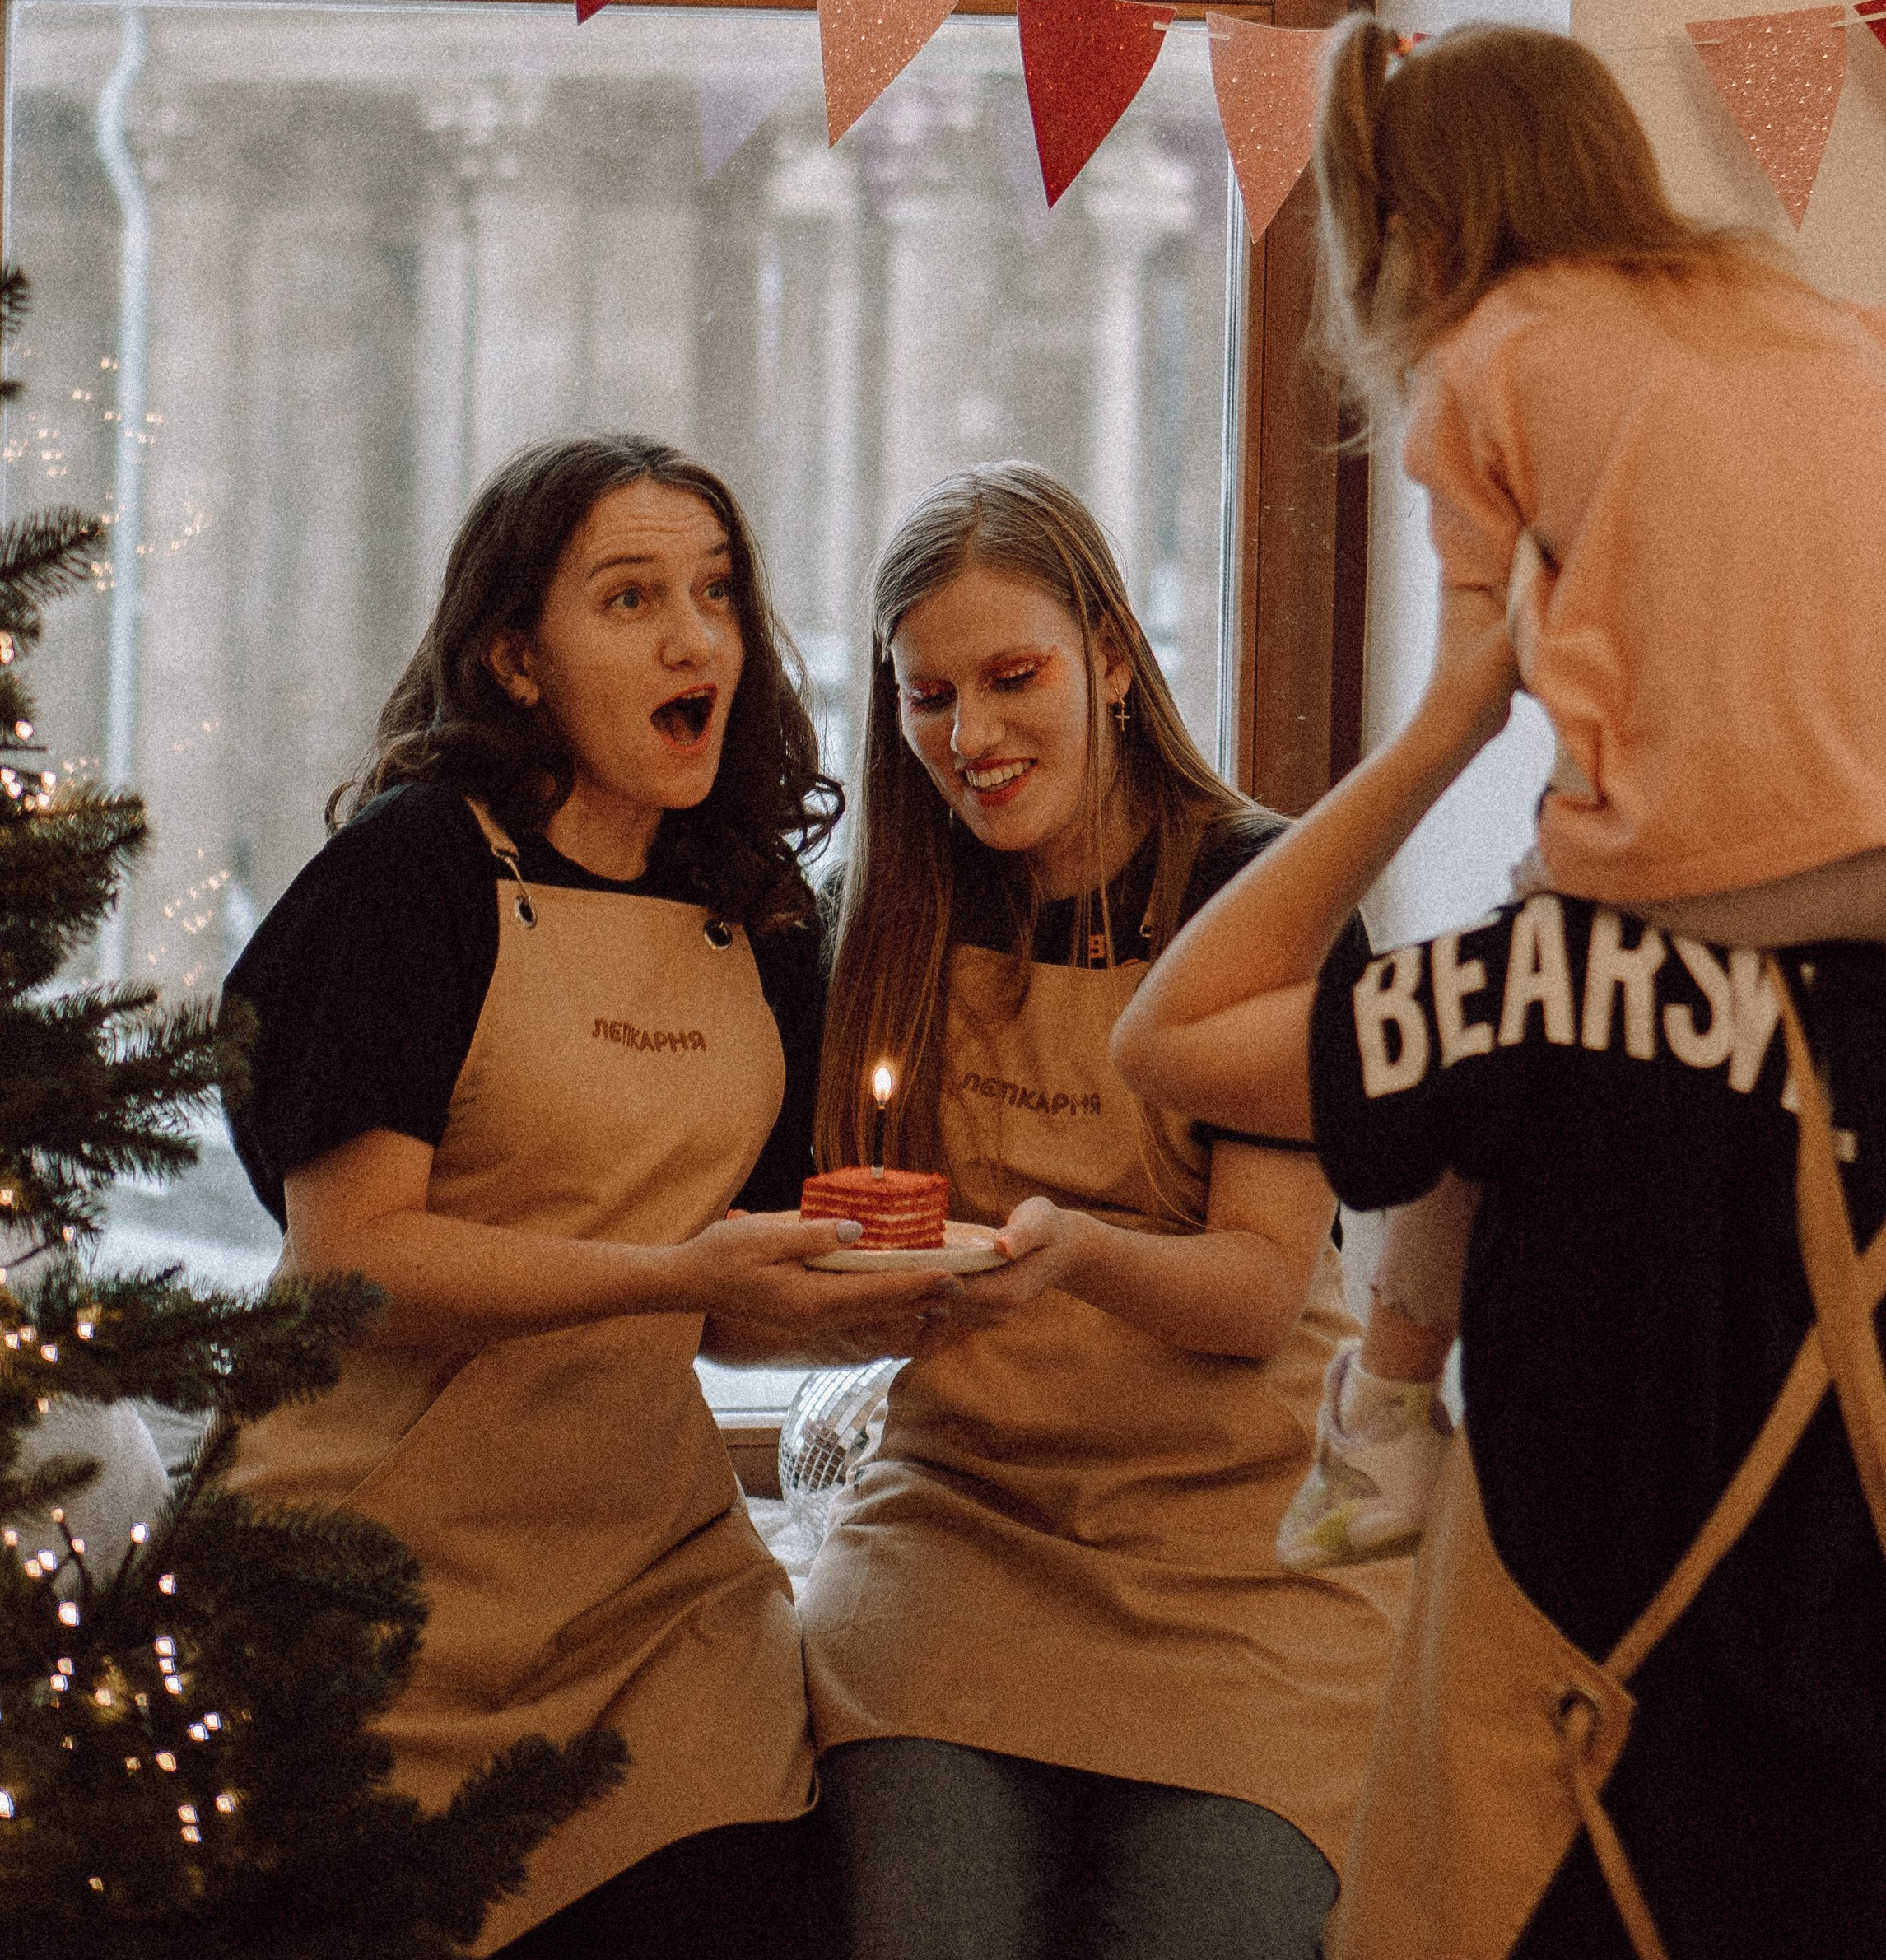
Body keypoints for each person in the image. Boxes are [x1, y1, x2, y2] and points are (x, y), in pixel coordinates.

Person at [1264, 16, 1886, 1570]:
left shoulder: (1481, 363)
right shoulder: (1800, 312)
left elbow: (1476, 687)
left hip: (1717, 871)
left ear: (1416, 227)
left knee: (1488, 1006)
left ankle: (1384, 1407)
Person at [223, 435, 953, 1960]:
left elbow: (734, 1299)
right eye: (631, 600)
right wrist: (678, 1276)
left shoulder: (754, 916)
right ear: (516, 660)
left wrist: (894, 1297)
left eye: (717, 593)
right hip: (372, 1587)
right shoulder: (410, 876)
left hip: (653, 1604)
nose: (697, 638)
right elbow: (350, 1264)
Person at [798, 464, 1409, 1960]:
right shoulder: (873, 919)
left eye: (1015, 679)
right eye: (928, 698)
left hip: (1245, 1559)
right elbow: (781, 1266)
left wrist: (1073, 1256)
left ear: (1115, 658)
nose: (973, 738)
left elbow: (1265, 1287)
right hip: (961, 1531)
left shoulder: (1260, 897)